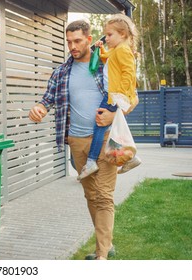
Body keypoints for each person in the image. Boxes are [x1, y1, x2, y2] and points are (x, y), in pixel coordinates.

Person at [29, 19, 138, 260]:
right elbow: (47, 99)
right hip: (76, 141)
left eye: (77, 40)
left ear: (89, 39)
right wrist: (38, 108)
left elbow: (132, 97)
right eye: (69, 42)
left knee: (104, 196)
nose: (73, 46)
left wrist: (114, 113)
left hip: (106, 138)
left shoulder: (105, 64)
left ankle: (101, 256)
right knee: (91, 195)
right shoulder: (61, 72)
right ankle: (106, 244)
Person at [78, 14, 141, 181]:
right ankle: (129, 157)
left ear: (123, 34)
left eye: (110, 35)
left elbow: (129, 74)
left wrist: (120, 95)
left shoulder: (123, 50)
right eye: (105, 35)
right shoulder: (116, 50)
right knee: (114, 127)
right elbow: (107, 59)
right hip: (112, 95)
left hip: (113, 95)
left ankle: (92, 161)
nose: (106, 38)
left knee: (100, 124)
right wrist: (101, 49)